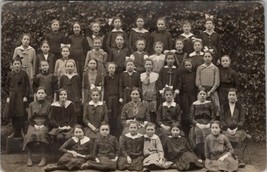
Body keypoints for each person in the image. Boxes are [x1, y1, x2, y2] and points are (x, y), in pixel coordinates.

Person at [23, 87, 51, 167]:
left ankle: (43, 158)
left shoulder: (49, 105)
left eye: (42, 93)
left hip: (44, 123)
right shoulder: (31, 104)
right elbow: (29, 118)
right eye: (39, 93)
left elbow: (50, 118)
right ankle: (29, 157)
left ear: (45, 95)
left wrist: (43, 125)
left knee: (41, 134)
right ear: (36, 95)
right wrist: (34, 125)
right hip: (33, 123)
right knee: (29, 135)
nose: (41, 95)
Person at [220, 88, 246, 168]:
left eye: (233, 95)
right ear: (227, 96)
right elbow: (221, 119)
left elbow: (242, 120)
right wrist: (227, 129)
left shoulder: (240, 106)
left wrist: (236, 129)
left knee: (238, 137)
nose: (231, 97)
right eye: (230, 95)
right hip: (226, 129)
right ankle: (229, 159)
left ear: (236, 96)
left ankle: (238, 159)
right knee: (226, 137)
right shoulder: (224, 106)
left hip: (238, 129)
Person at [5, 56, 30, 138]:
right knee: (13, 114)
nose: (17, 65)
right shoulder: (10, 74)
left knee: (21, 115)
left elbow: (27, 86)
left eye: (18, 64)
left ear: (21, 65)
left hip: (21, 96)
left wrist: (25, 96)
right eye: (15, 64)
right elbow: (6, 86)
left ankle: (22, 131)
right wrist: (9, 95)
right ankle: (15, 132)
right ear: (12, 65)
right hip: (12, 97)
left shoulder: (24, 74)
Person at [189, 89, 215, 160]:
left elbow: (213, 116)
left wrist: (209, 124)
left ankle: (208, 155)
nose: (202, 95)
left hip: (208, 123)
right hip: (197, 124)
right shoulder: (194, 104)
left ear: (206, 95)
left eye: (204, 94)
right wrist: (197, 124)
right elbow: (191, 117)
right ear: (197, 96)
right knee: (198, 133)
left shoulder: (209, 103)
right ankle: (200, 154)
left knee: (208, 133)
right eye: (200, 94)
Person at [196, 50, 220, 117]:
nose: (207, 58)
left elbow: (217, 82)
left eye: (209, 56)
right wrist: (202, 90)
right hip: (202, 91)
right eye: (205, 56)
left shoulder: (215, 68)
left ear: (212, 58)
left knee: (215, 107)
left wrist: (210, 92)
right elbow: (197, 81)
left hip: (212, 91)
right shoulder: (200, 68)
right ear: (203, 58)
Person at [178, 58, 197, 137]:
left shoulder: (194, 74)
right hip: (184, 96)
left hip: (192, 96)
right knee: (185, 113)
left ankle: (192, 131)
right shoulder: (182, 74)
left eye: (189, 65)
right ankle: (185, 132)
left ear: (192, 66)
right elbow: (179, 84)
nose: (188, 67)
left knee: (192, 112)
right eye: (186, 65)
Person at [59, 59, 82, 124]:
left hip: (75, 97)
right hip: (65, 97)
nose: (70, 68)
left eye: (71, 66)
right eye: (68, 66)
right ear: (65, 67)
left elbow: (79, 87)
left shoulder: (77, 77)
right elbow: (60, 88)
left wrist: (80, 97)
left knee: (74, 112)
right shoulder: (63, 77)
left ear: (74, 67)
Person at [104, 62, 121, 137]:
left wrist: (121, 97)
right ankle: (109, 132)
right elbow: (104, 89)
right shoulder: (105, 78)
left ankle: (115, 133)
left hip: (116, 98)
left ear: (115, 69)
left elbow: (120, 87)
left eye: (113, 68)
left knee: (115, 115)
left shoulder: (118, 77)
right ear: (107, 69)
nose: (111, 69)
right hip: (108, 98)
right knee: (109, 114)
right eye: (110, 68)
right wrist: (104, 99)